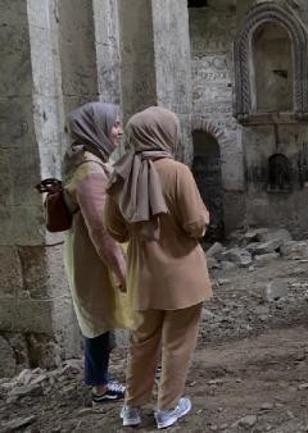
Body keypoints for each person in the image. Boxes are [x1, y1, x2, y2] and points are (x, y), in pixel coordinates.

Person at [104, 106, 212, 429]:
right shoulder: (177, 172)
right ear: (166, 133)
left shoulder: (121, 174)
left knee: (142, 342)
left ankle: (131, 408)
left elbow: (115, 229)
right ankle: (167, 408)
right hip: (182, 277)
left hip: (143, 277)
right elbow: (195, 224)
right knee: (177, 344)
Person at [62, 102, 129, 403]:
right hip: (95, 257)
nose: (119, 131)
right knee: (98, 317)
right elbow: (100, 230)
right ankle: (101, 385)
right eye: (114, 124)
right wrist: (121, 269)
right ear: (95, 128)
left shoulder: (91, 160)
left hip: (95, 254)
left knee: (99, 314)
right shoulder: (89, 169)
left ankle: (107, 379)